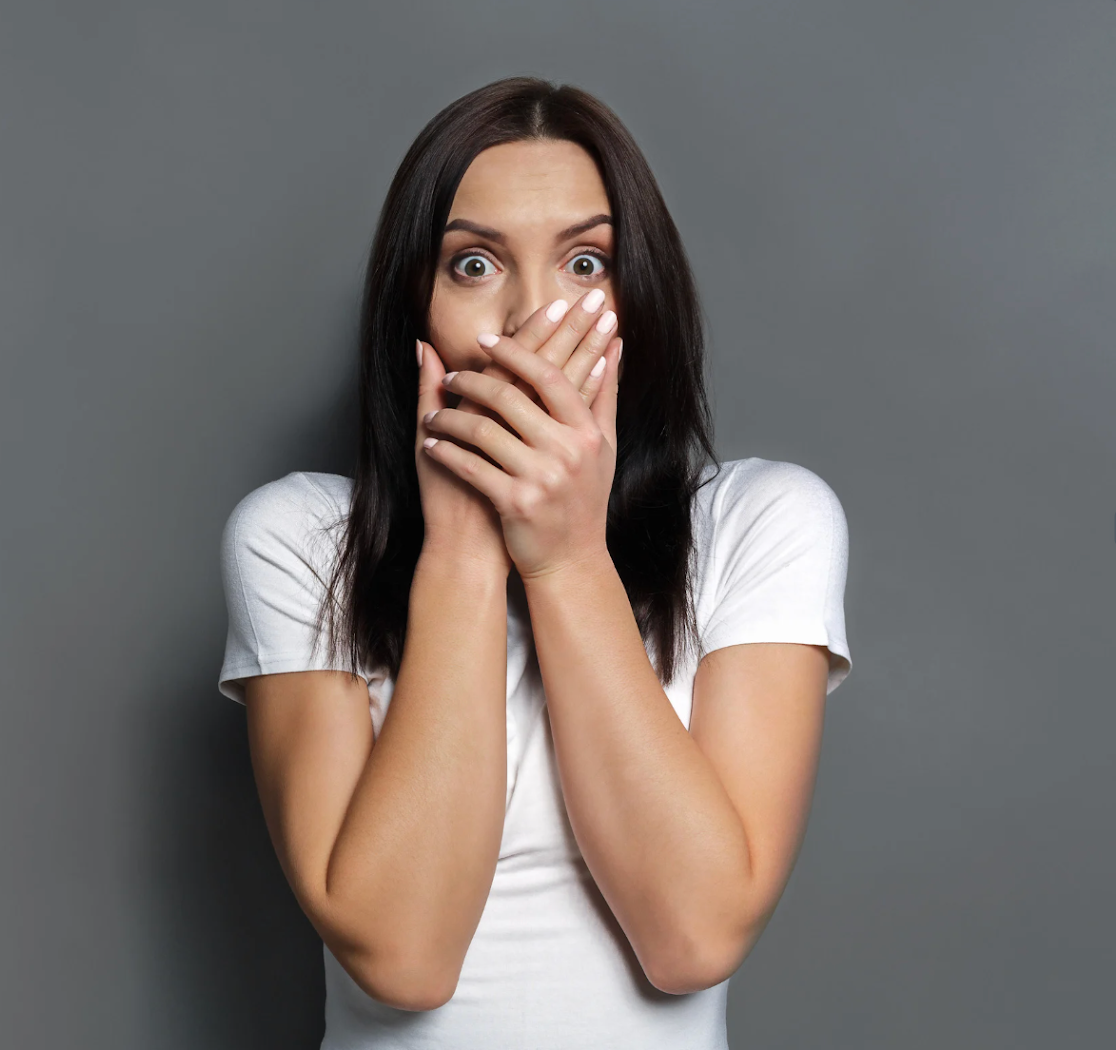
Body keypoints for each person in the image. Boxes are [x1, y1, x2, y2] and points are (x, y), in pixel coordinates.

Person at [216, 76, 852, 1049]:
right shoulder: (301, 539)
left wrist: (562, 562)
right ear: (413, 314)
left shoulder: (761, 524)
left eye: (586, 262)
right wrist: (467, 551)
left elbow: (692, 938)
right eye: (472, 264)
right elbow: (403, 957)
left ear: (643, 297)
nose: (528, 318)